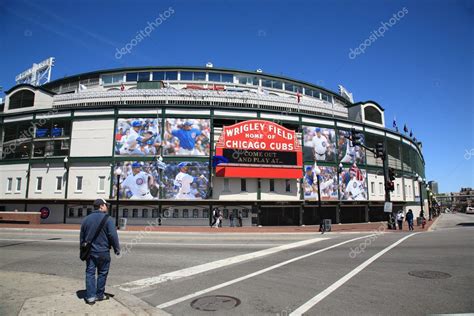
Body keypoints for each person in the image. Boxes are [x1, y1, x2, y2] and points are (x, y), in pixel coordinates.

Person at [80, 198, 120, 305]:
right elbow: (113, 236)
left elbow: (82, 238)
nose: (107, 207)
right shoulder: (108, 219)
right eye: (106, 205)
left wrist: (82, 252)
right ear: (101, 206)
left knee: (90, 273)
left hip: (90, 252)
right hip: (103, 251)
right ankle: (99, 294)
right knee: (102, 273)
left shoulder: (86, 219)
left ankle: (90, 297)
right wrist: (117, 249)